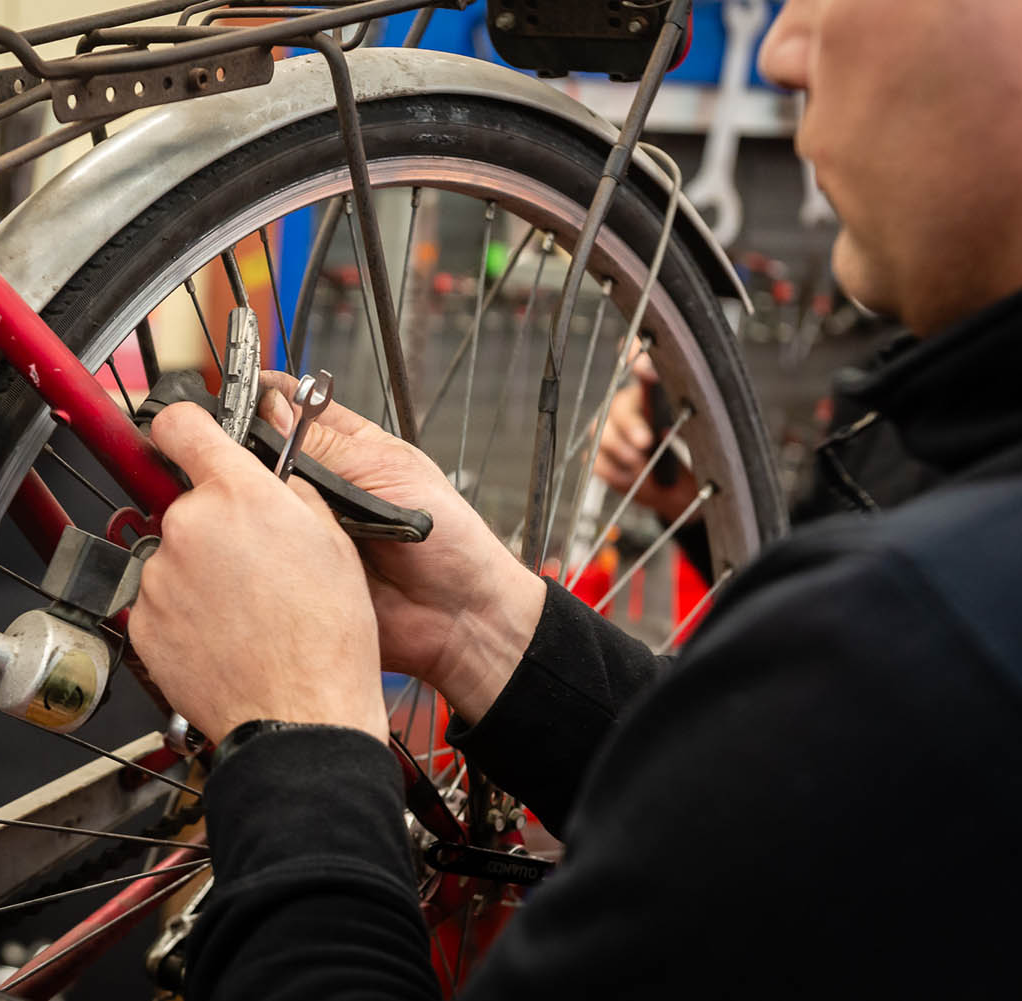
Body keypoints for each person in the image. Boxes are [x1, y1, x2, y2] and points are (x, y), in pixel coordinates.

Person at [128, 0, 1022, 996]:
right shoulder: (943, 625)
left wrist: (298, 748)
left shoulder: (936, 647)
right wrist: (483, 624)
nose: (782, 50)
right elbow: (793, 836)